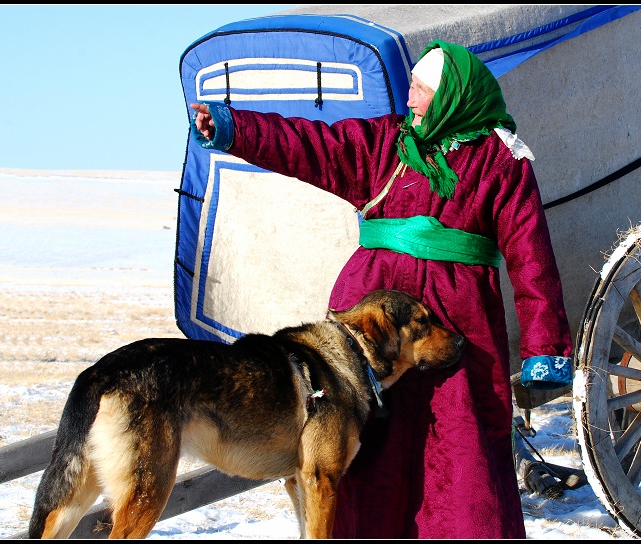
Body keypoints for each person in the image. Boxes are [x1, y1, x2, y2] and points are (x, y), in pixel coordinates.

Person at [190, 40, 573, 539]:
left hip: (458, 324)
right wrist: (236, 127)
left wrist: (545, 347)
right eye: (411, 87)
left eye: (420, 89)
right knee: (367, 444)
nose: (409, 99)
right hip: (370, 325)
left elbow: (532, 259)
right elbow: (310, 144)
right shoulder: (385, 144)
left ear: (453, 95)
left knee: (460, 440)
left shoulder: (502, 160)